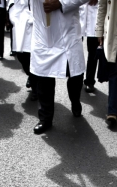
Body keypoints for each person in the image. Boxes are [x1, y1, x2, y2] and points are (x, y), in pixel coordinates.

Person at [30, 0, 92, 134]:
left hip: (68, 32)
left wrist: (61, 3)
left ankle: (75, 101)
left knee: (75, 75)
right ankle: (45, 119)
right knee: (44, 78)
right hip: (44, 34)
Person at [8, 0, 37, 99]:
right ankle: (31, 75)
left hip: (37, 24)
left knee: (35, 57)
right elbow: (12, 5)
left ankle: (35, 86)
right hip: (21, 24)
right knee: (22, 56)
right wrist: (15, 19)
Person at [80, 2, 99, 92]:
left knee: (93, 53)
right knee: (75, 50)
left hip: (95, 11)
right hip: (79, 11)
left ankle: (89, 81)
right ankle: (77, 78)